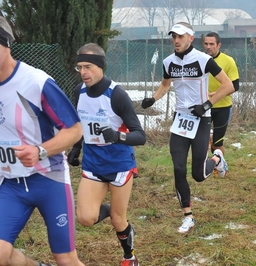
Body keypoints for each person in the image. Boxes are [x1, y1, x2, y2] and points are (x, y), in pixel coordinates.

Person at [0, 17, 85, 266]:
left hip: (49, 179)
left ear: (5, 44)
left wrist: (40, 150)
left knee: (66, 259)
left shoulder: (36, 81)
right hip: (10, 184)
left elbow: (74, 129)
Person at [140, 22, 234, 233]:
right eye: (174, 36)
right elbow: (165, 84)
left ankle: (218, 157)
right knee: (178, 169)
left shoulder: (204, 60)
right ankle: (188, 216)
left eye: (180, 36)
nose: (176, 40)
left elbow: (228, 86)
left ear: (191, 38)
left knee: (198, 175)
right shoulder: (168, 62)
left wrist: (207, 105)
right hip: (180, 121)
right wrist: (153, 99)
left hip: (201, 119)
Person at [67, 43, 146, 266]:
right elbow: (81, 125)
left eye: (88, 66)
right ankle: (114, 209)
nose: (83, 72)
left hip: (119, 164)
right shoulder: (78, 92)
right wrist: (76, 148)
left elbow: (140, 136)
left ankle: (129, 257)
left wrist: (117, 136)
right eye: (80, 67)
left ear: (101, 67)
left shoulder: (117, 95)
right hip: (93, 163)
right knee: (85, 218)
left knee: (118, 221)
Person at [203, 32, 239, 160]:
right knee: (201, 142)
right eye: (206, 44)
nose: (208, 47)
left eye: (211, 44)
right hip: (204, 107)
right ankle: (202, 167)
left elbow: (235, 86)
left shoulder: (228, 61)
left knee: (217, 144)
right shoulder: (200, 60)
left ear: (219, 45)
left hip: (222, 107)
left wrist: (215, 94)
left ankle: (220, 165)